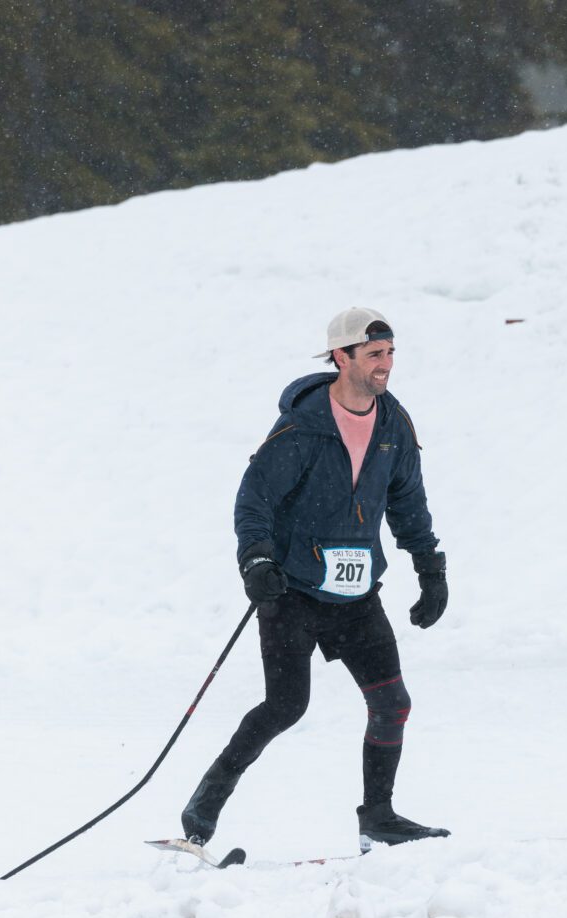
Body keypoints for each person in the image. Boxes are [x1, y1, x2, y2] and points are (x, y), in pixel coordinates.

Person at [181, 307, 450, 852]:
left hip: (356, 595)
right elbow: (253, 499)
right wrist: (256, 560)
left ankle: (378, 818)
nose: (386, 364)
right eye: (375, 354)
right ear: (341, 356)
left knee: (392, 703)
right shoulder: (303, 425)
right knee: (285, 706)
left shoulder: (394, 424)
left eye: (391, 352)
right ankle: (202, 810)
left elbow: (408, 503)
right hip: (294, 592)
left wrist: (430, 568)